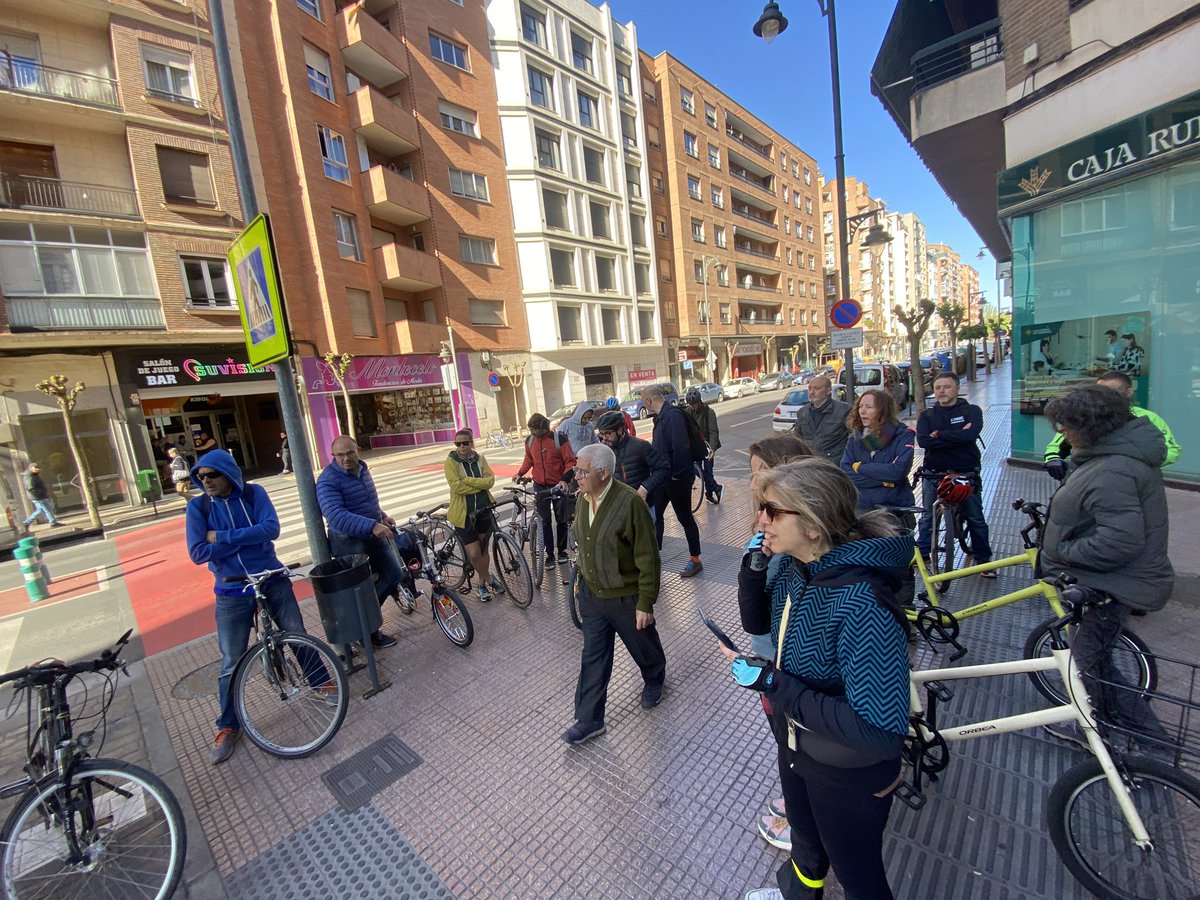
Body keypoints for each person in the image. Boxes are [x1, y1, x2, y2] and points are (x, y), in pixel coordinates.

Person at [727, 459, 913, 900]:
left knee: (858, 875)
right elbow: (763, 627)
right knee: (806, 845)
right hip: (797, 744)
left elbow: (879, 731)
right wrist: (754, 568)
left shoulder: (861, 604)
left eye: (772, 510)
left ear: (813, 524)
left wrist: (775, 685)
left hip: (846, 771)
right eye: (760, 508)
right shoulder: (799, 570)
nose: (761, 519)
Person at [1039, 384, 1173, 748]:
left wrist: (1064, 549)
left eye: (1065, 425)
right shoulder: (1108, 459)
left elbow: (1120, 540)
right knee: (1096, 664)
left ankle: (1149, 742)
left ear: (1089, 427)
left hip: (1107, 587)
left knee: (1090, 665)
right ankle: (1100, 726)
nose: (1061, 433)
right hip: (1106, 583)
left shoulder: (1113, 469)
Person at [185, 449, 338, 765]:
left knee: (296, 633)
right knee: (231, 660)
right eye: (200, 477)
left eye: (211, 475)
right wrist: (245, 538)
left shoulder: (254, 494)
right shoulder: (197, 507)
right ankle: (228, 725)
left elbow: (271, 529)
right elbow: (198, 552)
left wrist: (223, 537)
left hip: (271, 577)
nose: (206, 481)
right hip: (231, 587)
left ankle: (321, 682)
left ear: (227, 474)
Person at [738, 433, 817, 855]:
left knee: (795, 746)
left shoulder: (802, 551)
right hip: (772, 659)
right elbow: (754, 613)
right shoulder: (771, 535)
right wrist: (751, 569)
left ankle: (803, 823)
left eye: (760, 476)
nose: (754, 489)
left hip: (787, 669)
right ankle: (798, 805)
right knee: (786, 741)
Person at [562, 443, 664, 745]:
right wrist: (580, 579)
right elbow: (585, 545)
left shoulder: (630, 503)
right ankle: (589, 719)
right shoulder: (582, 499)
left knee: (642, 644)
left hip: (626, 596)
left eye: (582, 471)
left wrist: (645, 602)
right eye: (575, 470)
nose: (576, 476)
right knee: (593, 656)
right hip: (593, 597)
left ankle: (654, 677)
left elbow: (648, 557)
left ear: (604, 473)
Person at [314, 436, 399, 648]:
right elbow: (336, 516)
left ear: (358, 451)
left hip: (372, 532)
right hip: (349, 541)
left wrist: (381, 516)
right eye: (340, 455)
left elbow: (366, 501)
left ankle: (366, 624)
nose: (346, 459)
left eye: (350, 453)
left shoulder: (362, 470)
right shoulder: (328, 480)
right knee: (360, 589)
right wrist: (372, 525)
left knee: (394, 574)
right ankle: (366, 632)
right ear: (332, 456)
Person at [915, 372, 994, 576]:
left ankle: (984, 561)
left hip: (965, 472)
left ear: (957, 388)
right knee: (927, 516)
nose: (941, 391)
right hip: (934, 473)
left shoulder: (972, 410)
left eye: (946, 387)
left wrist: (940, 434)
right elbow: (924, 441)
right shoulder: (927, 415)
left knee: (975, 517)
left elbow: (971, 435)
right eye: (938, 387)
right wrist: (959, 435)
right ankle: (922, 554)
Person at [1044, 370, 1180, 480]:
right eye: (1100, 391)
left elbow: (1171, 450)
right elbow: (1059, 443)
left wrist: (1134, 461)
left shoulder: (1149, 418)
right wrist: (1053, 459)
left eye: (1113, 392)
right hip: (1086, 476)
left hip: (1132, 479)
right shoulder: (1088, 416)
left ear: (1129, 392)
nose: (1105, 397)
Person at [641, 384, 704, 578]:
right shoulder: (660, 418)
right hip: (662, 479)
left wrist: (677, 474)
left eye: (644, 401)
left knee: (685, 518)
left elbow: (681, 447)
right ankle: (654, 558)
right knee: (655, 516)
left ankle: (695, 560)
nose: (644, 404)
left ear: (649, 401)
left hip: (676, 480)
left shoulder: (673, 416)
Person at [443, 429, 503, 602]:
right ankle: (489, 579)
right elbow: (457, 487)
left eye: (465, 443)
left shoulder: (480, 459)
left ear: (472, 443)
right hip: (464, 515)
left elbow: (490, 481)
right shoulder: (451, 462)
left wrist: (468, 480)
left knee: (484, 549)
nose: (462, 446)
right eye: (458, 443)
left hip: (484, 509)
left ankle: (481, 585)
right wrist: (480, 484)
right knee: (475, 554)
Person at [516, 413, 577, 570]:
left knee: (561, 519)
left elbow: (570, 461)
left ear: (544, 428)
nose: (532, 433)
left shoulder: (559, 440)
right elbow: (529, 459)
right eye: (530, 430)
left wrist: (564, 479)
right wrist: (520, 473)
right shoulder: (530, 441)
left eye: (534, 430)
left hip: (558, 484)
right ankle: (549, 555)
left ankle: (562, 551)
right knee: (545, 522)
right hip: (540, 485)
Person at [840, 389, 916, 512]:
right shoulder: (854, 438)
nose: (862, 411)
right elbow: (845, 472)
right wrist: (885, 481)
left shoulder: (903, 435)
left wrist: (860, 467)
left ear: (883, 411)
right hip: (861, 506)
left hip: (893, 506)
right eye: (860, 406)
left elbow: (898, 471)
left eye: (869, 407)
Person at [595, 410, 668, 506]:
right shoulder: (603, 450)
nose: (604, 438)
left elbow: (663, 469)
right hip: (619, 507)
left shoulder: (640, 446)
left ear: (620, 430)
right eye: (601, 434)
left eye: (607, 433)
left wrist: (645, 487)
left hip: (643, 505)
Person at [790, 375, 851, 463]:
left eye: (817, 388)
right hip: (811, 465)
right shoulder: (803, 412)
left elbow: (855, 439)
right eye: (810, 388)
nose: (812, 392)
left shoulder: (844, 410)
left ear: (828, 390)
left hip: (835, 466)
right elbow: (797, 438)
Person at [684, 387, 724, 504]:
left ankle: (710, 494)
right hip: (695, 446)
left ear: (699, 401)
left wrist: (712, 448)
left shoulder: (709, 412)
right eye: (691, 405)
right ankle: (717, 487)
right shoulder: (687, 413)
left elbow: (713, 431)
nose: (693, 407)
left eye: (695, 404)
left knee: (708, 470)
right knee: (696, 469)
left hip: (707, 445)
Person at [22, 463, 62, 529]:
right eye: (35, 468)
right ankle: (53, 523)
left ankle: (26, 523)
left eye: (38, 468)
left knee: (40, 510)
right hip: (38, 496)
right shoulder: (30, 476)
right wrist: (41, 492)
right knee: (48, 509)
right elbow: (30, 488)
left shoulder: (34, 475)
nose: (37, 469)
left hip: (39, 496)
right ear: (31, 468)